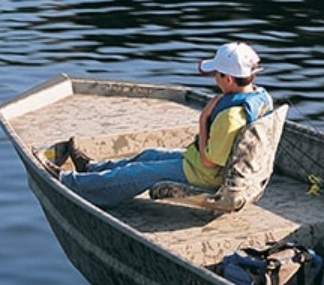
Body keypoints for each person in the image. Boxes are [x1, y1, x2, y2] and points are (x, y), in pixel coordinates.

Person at [47, 42, 273, 208]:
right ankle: (93, 169)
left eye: (216, 73)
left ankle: (72, 184)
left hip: (205, 173)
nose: (214, 77)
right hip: (202, 163)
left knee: (140, 172)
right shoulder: (261, 98)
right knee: (149, 154)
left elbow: (209, 162)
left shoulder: (231, 116)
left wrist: (203, 119)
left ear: (228, 79)